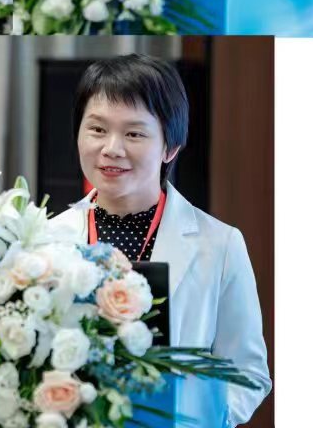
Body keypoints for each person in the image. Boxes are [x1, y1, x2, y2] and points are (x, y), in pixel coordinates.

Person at [46, 56, 270, 426]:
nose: (112, 148)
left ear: (170, 146)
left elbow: (248, 374)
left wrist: (192, 419)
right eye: (97, 129)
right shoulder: (45, 239)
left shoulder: (220, 245)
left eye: (134, 134)